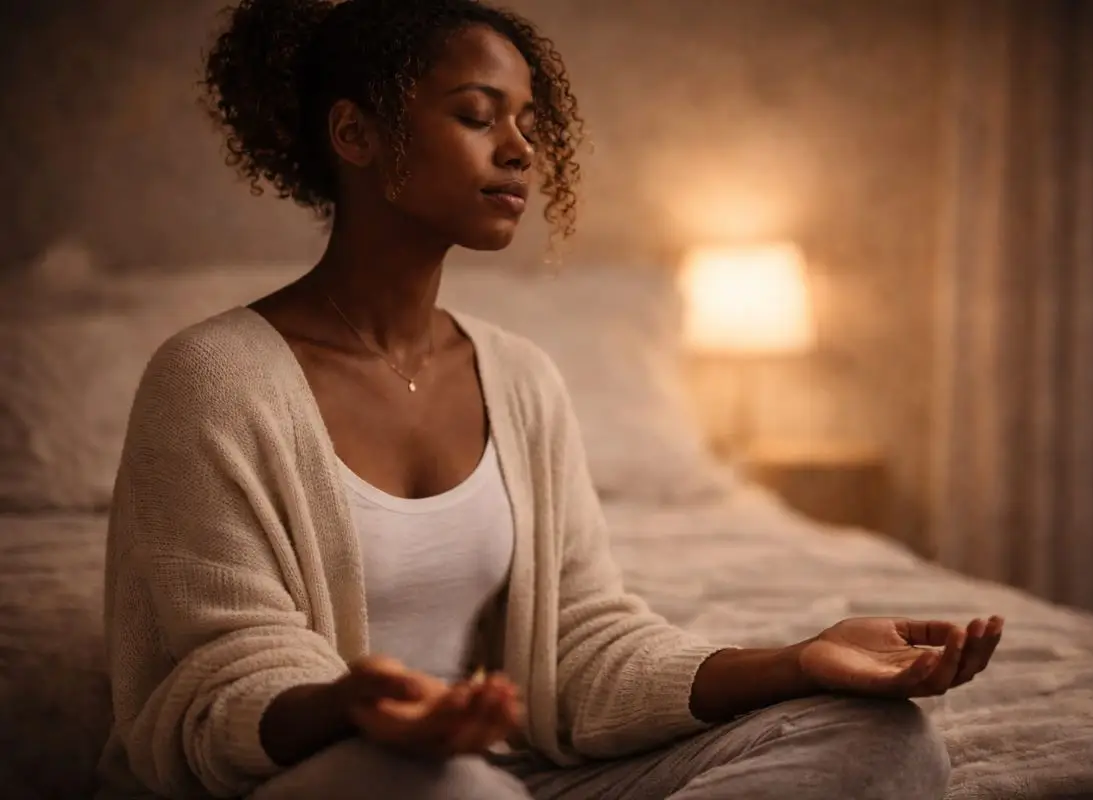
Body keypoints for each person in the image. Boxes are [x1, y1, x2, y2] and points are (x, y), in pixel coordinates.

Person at [96, 1, 1005, 798]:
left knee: (875, 739)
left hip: (519, 774)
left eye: (529, 121)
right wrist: (359, 707)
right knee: (445, 788)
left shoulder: (520, 378)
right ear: (355, 134)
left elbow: (582, 646)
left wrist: (800, 660)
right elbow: (222, 678)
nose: (522, 150)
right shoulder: (212, 378)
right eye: (476, 115)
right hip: (337, 775)